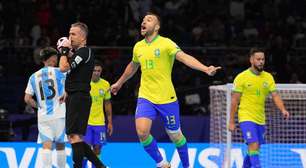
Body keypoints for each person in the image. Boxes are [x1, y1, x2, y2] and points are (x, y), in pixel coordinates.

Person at [110, 12, 221, 168]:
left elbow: (184, 57)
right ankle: (162, 163)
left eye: (148, 20)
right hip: (146, 96)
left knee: (176, 136)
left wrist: (205, 69)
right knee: (142, 132)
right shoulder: (138, 46)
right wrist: (119, 82)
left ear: (156, 27)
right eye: (143, 20)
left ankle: (187, 165)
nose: (143, 22)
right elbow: (133, 66)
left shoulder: (166, 43)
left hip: (166, 98)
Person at [229, 47, 290, 168]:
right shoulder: (242, 77)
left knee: (254, 148)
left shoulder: (268, 77)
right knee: (254, 144)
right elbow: (234, 101)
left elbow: (275, 96)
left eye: (263, 59)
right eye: (258, 59)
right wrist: (231, 121)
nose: (261, 61)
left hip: (260, 118)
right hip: (246, 117)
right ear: (251, 60)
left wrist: (283, 109)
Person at [58, 22, 106, 168]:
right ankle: (100, 166)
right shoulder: (80, 53)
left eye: (73, 34)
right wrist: (67, 91)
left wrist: (64, 52)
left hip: (80, 97)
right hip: (75, 96)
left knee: (74, 136)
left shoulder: (85, 52)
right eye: (69, 33)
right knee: (73, 137)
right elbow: (76, 73)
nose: (70, 37)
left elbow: (63, 68)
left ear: (83, 38)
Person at [24, 47, 66, 168]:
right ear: (53, 59)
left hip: (43, 117)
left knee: (46, 147)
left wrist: (39, 107)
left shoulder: (33, 77)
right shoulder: (60, 72)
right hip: (60, 115)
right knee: (60, 145)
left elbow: (27, 99)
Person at [83, 60, 113, 167]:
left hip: (100, 123)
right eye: (94, 70)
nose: (96, 73)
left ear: (101, 72)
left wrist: (109, 122)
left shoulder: (105, 84)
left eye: (98, 71)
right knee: (85, 150)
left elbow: (107, 104)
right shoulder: (83, 83)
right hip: (85, 122)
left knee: (97, 149)